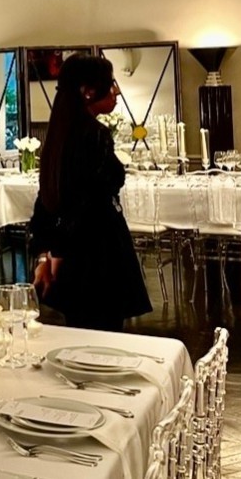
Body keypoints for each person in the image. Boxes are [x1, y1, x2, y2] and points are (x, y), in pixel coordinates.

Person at [30, 54, 150, 331]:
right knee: (102, 335)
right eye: (111, 85)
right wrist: (56, 251)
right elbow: (84, 200)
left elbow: (48, 198)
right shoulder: (93, 134)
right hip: (97, 253)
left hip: (74, 252)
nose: (116, 92)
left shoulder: (60, 132)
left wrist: (45, 251)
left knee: (81, 332)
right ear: (88, 92)